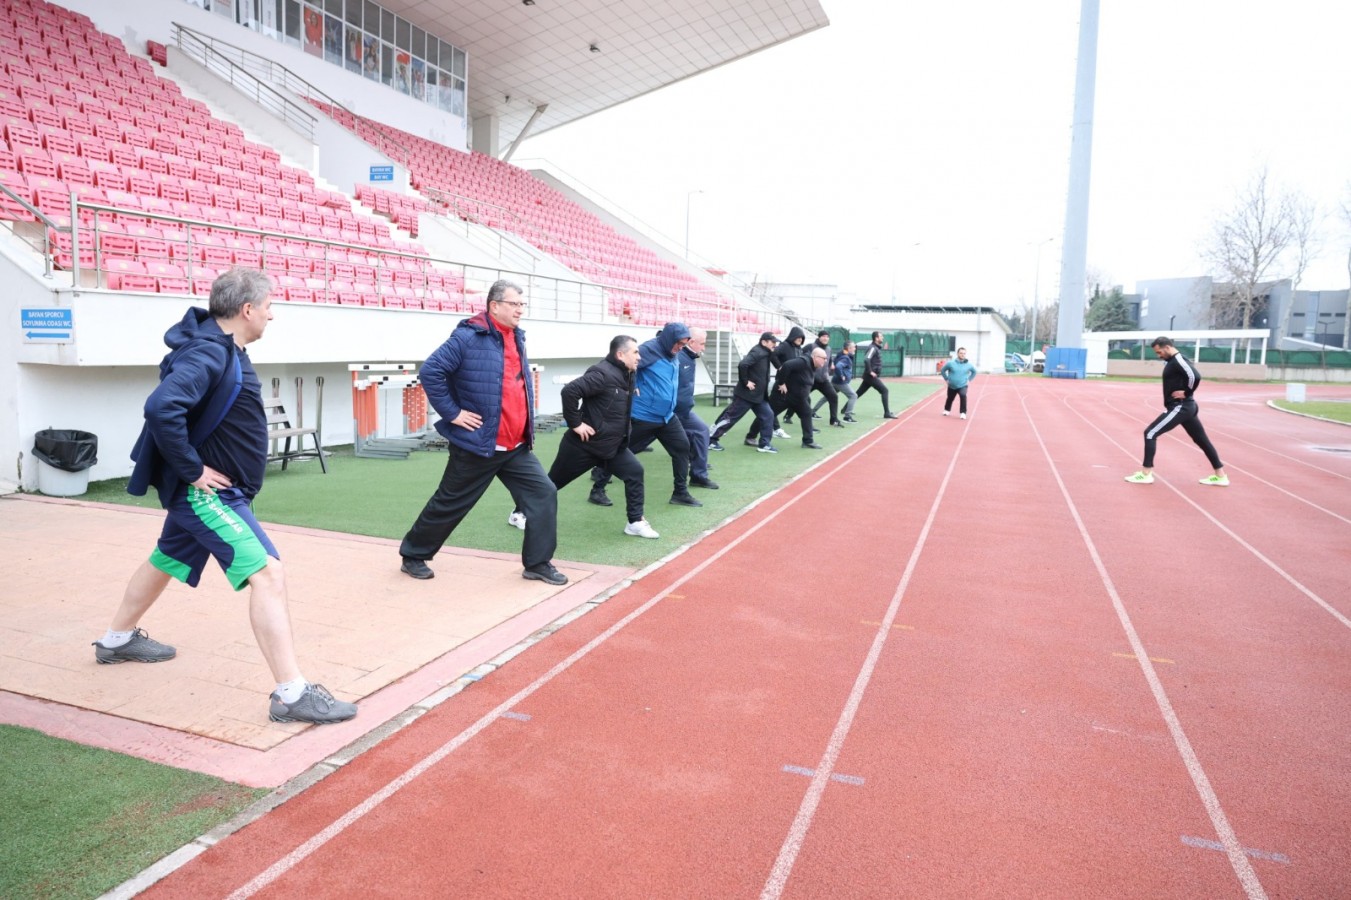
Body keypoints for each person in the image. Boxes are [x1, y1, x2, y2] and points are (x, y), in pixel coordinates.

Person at [94, 268, 356, 725]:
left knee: (166, 559)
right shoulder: (208, 353)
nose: (272, 316)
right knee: (269, 574)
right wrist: (192, 470)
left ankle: (116, 641)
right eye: (270, 307)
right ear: (247, 309)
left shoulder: (226, 348)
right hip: (207, 497)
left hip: (218, 494)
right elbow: (161, 407)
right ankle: (291, 694)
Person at [399, 280, 566, 584]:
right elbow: (431, 371)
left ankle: (538, 563)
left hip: (515, 446)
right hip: (478, 445)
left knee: (544, 493)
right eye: (514, 304)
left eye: (522, 304)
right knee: (451, 501)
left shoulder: (517, 337)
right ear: (494, 306)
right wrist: (453, 413)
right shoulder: (467, 337)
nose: (520, 310)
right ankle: (413, 554)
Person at [513, 336, 659, 538]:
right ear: (620, 354)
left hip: (611, 446)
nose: (639, 357)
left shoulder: (627, 374)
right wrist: (576, 424)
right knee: (552, 484)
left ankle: (635, 522)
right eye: (635, 352)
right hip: (583, 446)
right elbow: (570, 391)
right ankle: (519, 512)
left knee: (635, 472)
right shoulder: (602, 373)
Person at [589, 322, 703, 509]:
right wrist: (631, 386)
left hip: (666, 417)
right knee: (620, 452)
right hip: (643, 416)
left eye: (683, 344)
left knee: (682, 448)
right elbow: (619, 364)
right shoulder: (648, 350)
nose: (680, 348)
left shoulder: (673, 351)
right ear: (669, 339)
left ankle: (680, 493)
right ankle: (597, 489)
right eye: (679, 344)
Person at [1125, 336, 1229, 486]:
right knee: (1202, 440)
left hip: (1181, 406)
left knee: (1150, 432)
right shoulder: (1173, 361)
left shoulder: (1178, 360)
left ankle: (1146, 473)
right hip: (1186, 407)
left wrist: (1186, 392)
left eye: (1160, 352)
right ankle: (1221, 476)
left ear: (1167, 347)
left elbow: (1195, 376)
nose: (1159, 355)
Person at [709, 332, 779, 453]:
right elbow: (743, 364)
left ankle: (764, 444)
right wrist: (746, 382)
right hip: (746, 395)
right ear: (764, 342)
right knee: (730, 418)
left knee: (768, 415)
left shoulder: (766, 353)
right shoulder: (757, 352)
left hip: (758, 396)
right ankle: (710, 440)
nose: (775, 344)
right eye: (773, 342)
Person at [770, 347, 828, 449]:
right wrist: (781, 383)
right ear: (815, 357)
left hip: (798, 398)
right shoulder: (803, 361)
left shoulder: (812, 365)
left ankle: (808, 441)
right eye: (824, 358)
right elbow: (786, 365)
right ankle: (751, 436)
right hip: (784, 396)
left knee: (806, 413)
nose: (825, 360)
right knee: (768, 414)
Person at [856, 331, 898, 418]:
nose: (883, 338)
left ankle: (845, 409)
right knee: (885, 391)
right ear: (876, 338)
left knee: (858, 393)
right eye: (881, 336)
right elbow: (866, 359)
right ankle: (887, 413)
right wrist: (870, 371)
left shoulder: (876, 348)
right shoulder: (873, 348)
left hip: (869, 376)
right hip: (871, 376)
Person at [773, 326, 807, 432]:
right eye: (798, 337)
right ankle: (774, 428)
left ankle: (808, 432)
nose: (800, 339)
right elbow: (773, 355)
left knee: (805, 404)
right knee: (772, 408)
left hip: (794, 383)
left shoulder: (799, 349)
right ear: (792, 336)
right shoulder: (784, 345)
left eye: (802, 338)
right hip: (782, 382)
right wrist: (779, 367)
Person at [807, 330, 843, 427]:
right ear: (819, 337)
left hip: (823, 379)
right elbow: (803, 358)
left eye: (827, 336)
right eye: (823, 336)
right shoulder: (811, 346)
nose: (825, 338)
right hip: (811, 379)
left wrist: (831, 364)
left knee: (833, 396)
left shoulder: (829, 349)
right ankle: (788, 416)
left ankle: (834, 420)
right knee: (800, 397)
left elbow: (830, 360)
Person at [825, 340, 859, 423]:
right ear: (849, 348)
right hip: (840, 382)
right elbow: (838, 366)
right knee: (853, 396)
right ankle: (847, 416)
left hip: (835, 380)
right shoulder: (846, 357)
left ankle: (813, 411)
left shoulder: (843, 354)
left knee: (827, 396)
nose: (855, 348)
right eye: (854, 347)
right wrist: (841, 376)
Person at [939, 347, 977, 419]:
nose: (963, 355)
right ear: (957, 354)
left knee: (963, 395)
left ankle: (963, 413)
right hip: (951, 385)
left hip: (963, 385)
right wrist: (946, 379)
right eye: (961, 353)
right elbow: (943, 370)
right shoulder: (951, 363)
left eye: (964, 353)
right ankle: (947, 410)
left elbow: (974, 372)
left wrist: (969, 380)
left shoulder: (969, 365)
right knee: (950, 398)